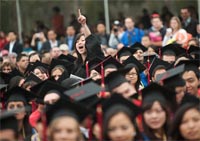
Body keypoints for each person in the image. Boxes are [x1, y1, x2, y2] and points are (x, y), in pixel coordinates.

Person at [73, 9, 104, 78]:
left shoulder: (95, 59)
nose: (79, 43)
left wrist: (84, 24)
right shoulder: (76, 65)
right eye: (77, 41)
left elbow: (91, 40)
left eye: (82, 40)